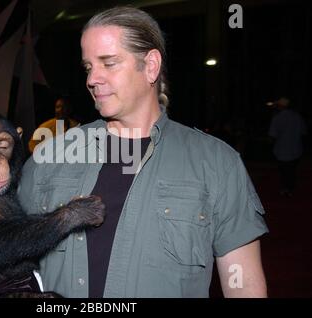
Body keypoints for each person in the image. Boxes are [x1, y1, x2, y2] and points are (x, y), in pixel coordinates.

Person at [18, 6, 268, 298]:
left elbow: (243, 284)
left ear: (150, 66)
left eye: (108, 63)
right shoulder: (50, 158)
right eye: (88, 67)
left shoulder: (216, 163)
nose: (92, 79)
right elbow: (0, 253)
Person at [268, 97, 307, 197]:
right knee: (292, 170)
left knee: (284, 170)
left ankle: (285, 188)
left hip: (282, 150)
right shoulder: (297, 117)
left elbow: (272, 135)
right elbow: (303, 133)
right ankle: (290, 188)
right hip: (295, 149)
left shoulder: (277, 118)